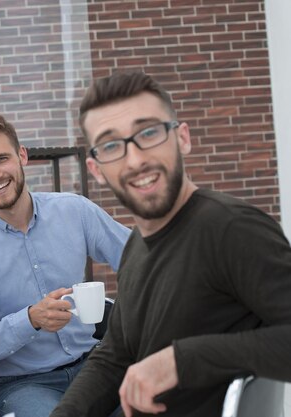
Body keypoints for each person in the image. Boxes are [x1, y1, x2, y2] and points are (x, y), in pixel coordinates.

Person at [50, 71, 291, 417]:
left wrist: (182, 359)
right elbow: (116, 355)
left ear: (182, 139)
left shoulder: (230, 229)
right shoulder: (137, 245)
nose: (135, 160)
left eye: (148, 133)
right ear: (97, 169)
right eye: (112, 146)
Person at [0, 115, 131, 417]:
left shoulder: (74, 211)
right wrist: (29, 320)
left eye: (1, 159)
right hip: (22, 385)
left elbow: (140, 258)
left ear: (22, 156)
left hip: (97, 367)